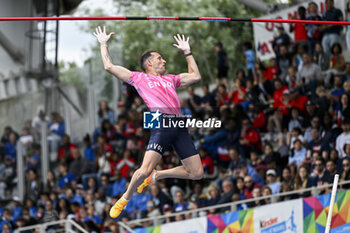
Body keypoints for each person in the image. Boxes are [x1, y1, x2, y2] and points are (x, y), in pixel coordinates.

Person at [93, 26, 203, 218]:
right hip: (161, 124)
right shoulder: (139, 78)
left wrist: (188, 52)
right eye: (160, 58)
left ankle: (158, 175)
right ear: (150, 63)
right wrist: (103, 44)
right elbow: (109, 67)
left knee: (197, 173)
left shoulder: (171, 79)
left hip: (179, 126)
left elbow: (196, 76)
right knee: (143, 170)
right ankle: (126, 197)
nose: (165, 61)